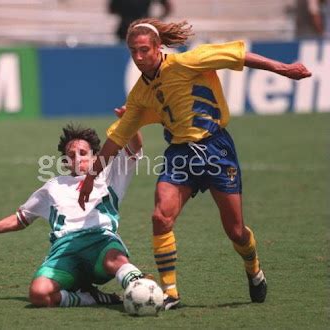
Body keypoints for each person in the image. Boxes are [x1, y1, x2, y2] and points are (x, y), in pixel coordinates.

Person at [78, 18, 312, 310]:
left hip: (216, 148)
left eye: (143, 51)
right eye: (133, 52)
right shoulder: (139, 94)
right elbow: (116, 140)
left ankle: (253, 269)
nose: (138, 58)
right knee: (160, 217)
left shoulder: (189, 61)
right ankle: (171, 293)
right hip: (180, 154)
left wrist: (284, 69)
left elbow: (237, 55)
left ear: (158, 48)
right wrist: (90, 178)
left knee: (236, 231)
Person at [0, 111, 146, 308]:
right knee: (39, 294)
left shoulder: (109, 174)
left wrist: (130, 121)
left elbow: (134, 147)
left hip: (101, 241)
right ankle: (92, 298)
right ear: (65, 161)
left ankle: (143, 287)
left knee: (115, 260)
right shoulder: (53, 186)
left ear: (95, 156)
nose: (77, 158)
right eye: (71, 155)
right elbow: (21, 218)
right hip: (65, 251)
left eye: (83, 153)